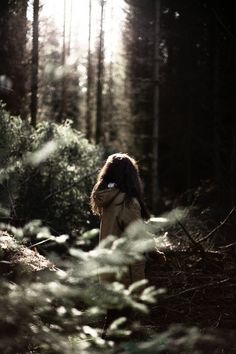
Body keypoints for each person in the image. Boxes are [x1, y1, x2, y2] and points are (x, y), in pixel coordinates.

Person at [90, 152, 165, 337]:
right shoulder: (127, 202)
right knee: (120, 324)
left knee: (113, 319)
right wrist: (155, 251)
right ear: (130, 175)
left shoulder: (108, 199)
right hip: (124, 272)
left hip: (108, 267)